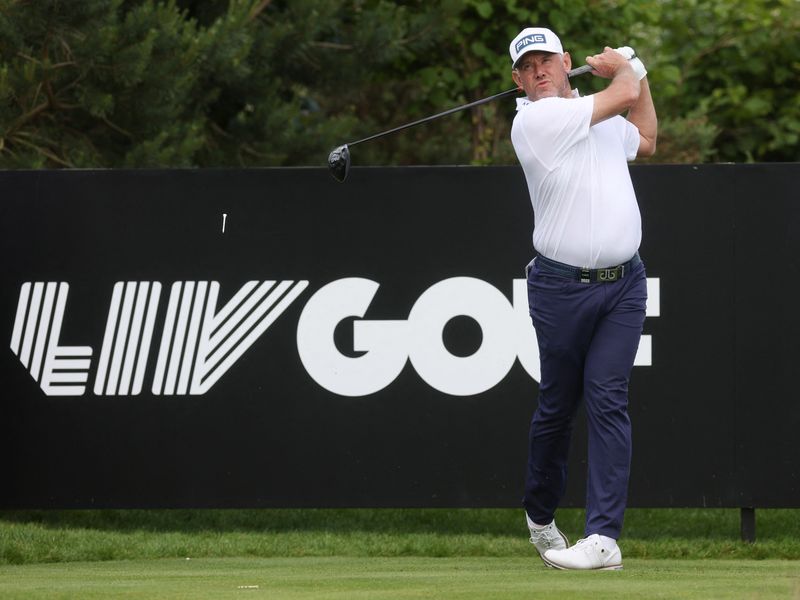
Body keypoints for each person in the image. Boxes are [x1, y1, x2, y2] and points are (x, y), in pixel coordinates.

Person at [508, 27, 657, 570]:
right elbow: (623, 95)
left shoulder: (597, 117)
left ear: (567, 63)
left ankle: (603, 539)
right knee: (558, 405)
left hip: (624, 285)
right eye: (529, 67)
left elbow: (644, 138)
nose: (540, 72)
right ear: (519, 80)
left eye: (548, 61)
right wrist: (626, 69)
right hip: (560, 290)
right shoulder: (536, 120)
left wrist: (636, 78)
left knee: (608, 398)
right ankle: (540, 515)